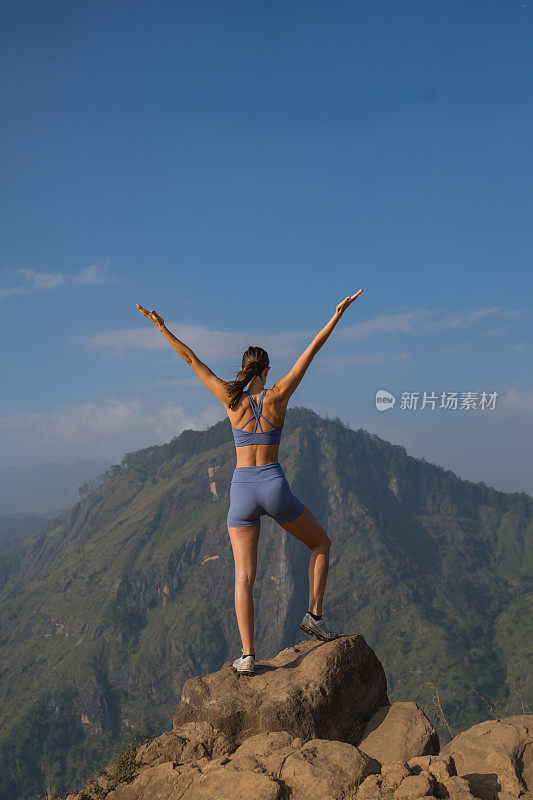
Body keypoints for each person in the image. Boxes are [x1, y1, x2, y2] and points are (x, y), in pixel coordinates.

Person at [136, 290, 363, 676]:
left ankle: (247, 655)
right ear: (267, 370)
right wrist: (337, 314)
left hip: (241, 489)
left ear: (243, 370)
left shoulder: (230, 397)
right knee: (321, 543)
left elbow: (191, 359)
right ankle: (315, 616)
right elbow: (312, 351)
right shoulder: (278, 396)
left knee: (244, 577)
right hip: (273, 486)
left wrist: (161, 326)